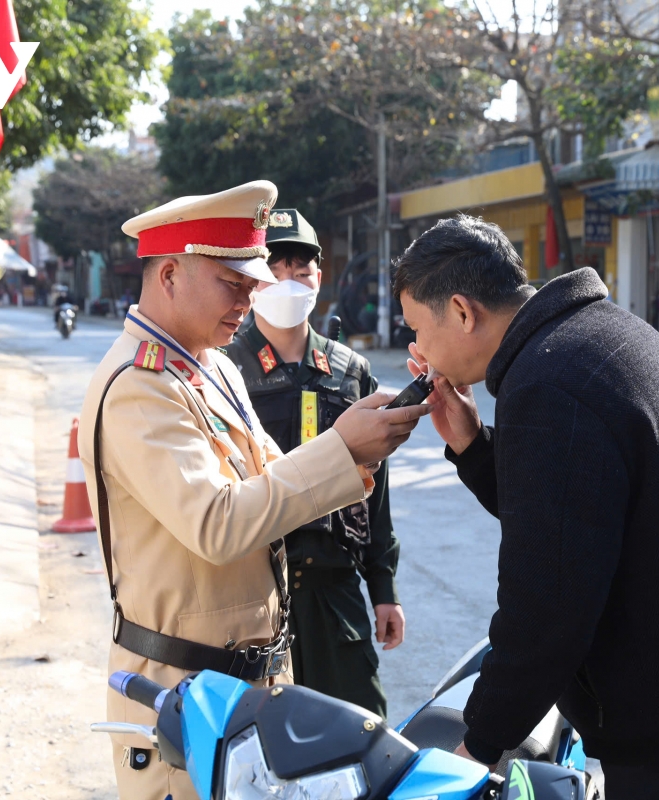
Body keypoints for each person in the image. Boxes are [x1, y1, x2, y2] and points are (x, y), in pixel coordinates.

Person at [394, 216, 659, 800]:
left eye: (417, 328)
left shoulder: (548, 385)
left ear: (462, 311)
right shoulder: (593, 335)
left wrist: (479, 742)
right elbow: (573, 523)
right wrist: (473, 448)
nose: (417, 350)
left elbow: (548, 604)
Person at [77, 182, 430, 800]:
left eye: (252, 284)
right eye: (233, 284)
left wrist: (360, 448)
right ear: (168, 275)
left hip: (242, 688)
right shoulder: (141, 385)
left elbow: (272, 477)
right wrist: (342, 447)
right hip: (183, 696)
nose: (250, 300)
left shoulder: (208, 365)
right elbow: (218, 524)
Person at [226, 209, 402, 718]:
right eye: (275, 271)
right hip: (254, 593)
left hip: (334, 592)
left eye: (301, 271)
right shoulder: (223, 369)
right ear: (254, 280)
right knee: (258, 754)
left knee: (360, 738)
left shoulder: (351, 372)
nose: (289, 283)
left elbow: (377, 492)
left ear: (318, 280)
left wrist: (384, 589)